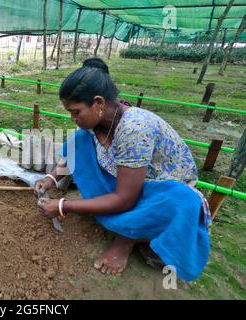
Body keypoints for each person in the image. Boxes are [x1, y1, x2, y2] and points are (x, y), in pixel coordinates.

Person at [35, 58, 210, 282]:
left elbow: (125, 199)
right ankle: (118, 219)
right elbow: (75, 152)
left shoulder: (135, 129)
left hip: (159, 188)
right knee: (78, 139)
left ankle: (127, 239)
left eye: (76, 112)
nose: (73, 118)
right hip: (125, 179)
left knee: (181, 202)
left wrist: (62, 206)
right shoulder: (100, 121)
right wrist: (51, 179)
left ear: (98, 103)